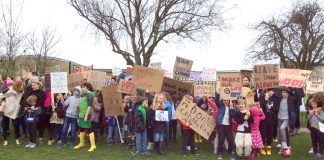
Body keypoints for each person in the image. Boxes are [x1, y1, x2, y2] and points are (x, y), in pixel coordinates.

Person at [0, 80, 24, 145]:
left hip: (15, 111)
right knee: (5, 125)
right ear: (17, 85)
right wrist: (2, 103)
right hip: (6, 110)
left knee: (16, 125)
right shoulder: (10, 91)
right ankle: (5, 140)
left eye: (23, 85)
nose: (22, 86)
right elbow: (1, 96)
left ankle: (17, 139)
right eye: (21, 85)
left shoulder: (21, 92)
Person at [74, 82, 96, 152]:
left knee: (89, 130)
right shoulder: (84, 94)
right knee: (81, 129)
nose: (82, 88)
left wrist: (86, 116)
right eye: (82, 87)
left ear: (87, 87)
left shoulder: (89, 95)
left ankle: (93, 145)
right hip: (81, 114)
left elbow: (89, 106)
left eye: (83, 87)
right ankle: (81, 143)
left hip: (86, 115)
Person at [273, 88, 296, 153]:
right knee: (280, 131)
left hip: (286, 118)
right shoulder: (279, 99)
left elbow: (297, 97)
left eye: (285, 92)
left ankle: (284, 144)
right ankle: (282, 147)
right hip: (279, 117)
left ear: (288, 93)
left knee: (282, 129)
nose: (284, 94)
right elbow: (275, 94)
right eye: (283, 92)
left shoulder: (291, 100)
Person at [214, 93, 236, 160]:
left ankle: (230, 153)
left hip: (228, 126)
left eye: (227, 100)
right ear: (222, 101)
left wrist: (232, 108)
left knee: (231, 140)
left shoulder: (231, 107)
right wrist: (218, 93)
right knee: (221, 140)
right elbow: (216, 100)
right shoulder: (220, 106)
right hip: (221, 125)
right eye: (225, 100)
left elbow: (233, 115)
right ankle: (219, 153)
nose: (226, 101)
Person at [259, 88, 276, 156]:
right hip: (263, 119)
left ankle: (269, 148)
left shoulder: (272, 98)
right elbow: (261, 107)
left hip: (271, 120)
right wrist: (265, 100)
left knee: (270, 135)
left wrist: (271, 107)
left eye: (273, 91)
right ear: (267, 91)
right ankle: (262, 148)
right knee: (263, 134)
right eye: (272, 91)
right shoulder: (261, 97)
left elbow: (275, 108)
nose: (273, 93)